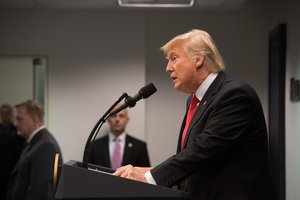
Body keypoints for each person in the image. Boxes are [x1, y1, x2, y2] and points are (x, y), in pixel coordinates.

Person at [113, 29, 277, 200]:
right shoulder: (195, 100)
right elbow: (196, 160)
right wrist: (146, 171)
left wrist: (149, 177)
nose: (168, 68)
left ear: (198, 59)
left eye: (174, 58)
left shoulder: (235, 94)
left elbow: (203, 150)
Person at [6, 100, 63, 200]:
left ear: (34, 120)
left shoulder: (45, 146)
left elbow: (39, 193)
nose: (15, 124)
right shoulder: (36, 141)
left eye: (19, 119)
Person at [88, 104, 150, 170]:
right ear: (108, 119)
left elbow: (145, 174)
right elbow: (88, 172)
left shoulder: (139, 146)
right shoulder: (94, 145)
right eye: (114, 115)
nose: (117, 119)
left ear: (127, 120)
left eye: (121, 116)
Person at [0, 104, 25, 200]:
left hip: (14, 167)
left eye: (7, 113)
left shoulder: (17, 129)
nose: (5, 116)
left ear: (10, 114)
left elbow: (21, 147)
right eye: (2, 113)